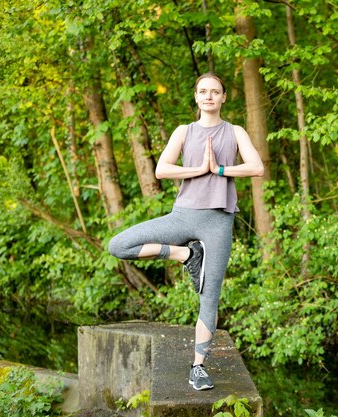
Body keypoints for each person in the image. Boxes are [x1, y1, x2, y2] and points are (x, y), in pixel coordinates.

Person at [108, 72, 264, 391]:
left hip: (218, 221)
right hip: (182, 217)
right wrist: (199, 170)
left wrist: (219, 169)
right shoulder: (184, 131)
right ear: (196, 97)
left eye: (215, 92)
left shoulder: (235, 131)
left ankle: (198, 367)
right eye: (202, 91)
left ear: (223, 98)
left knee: (210, 296)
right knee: (118, 245)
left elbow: (257, 167)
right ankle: (186, 254)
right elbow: (162, 169)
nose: (208, 96)